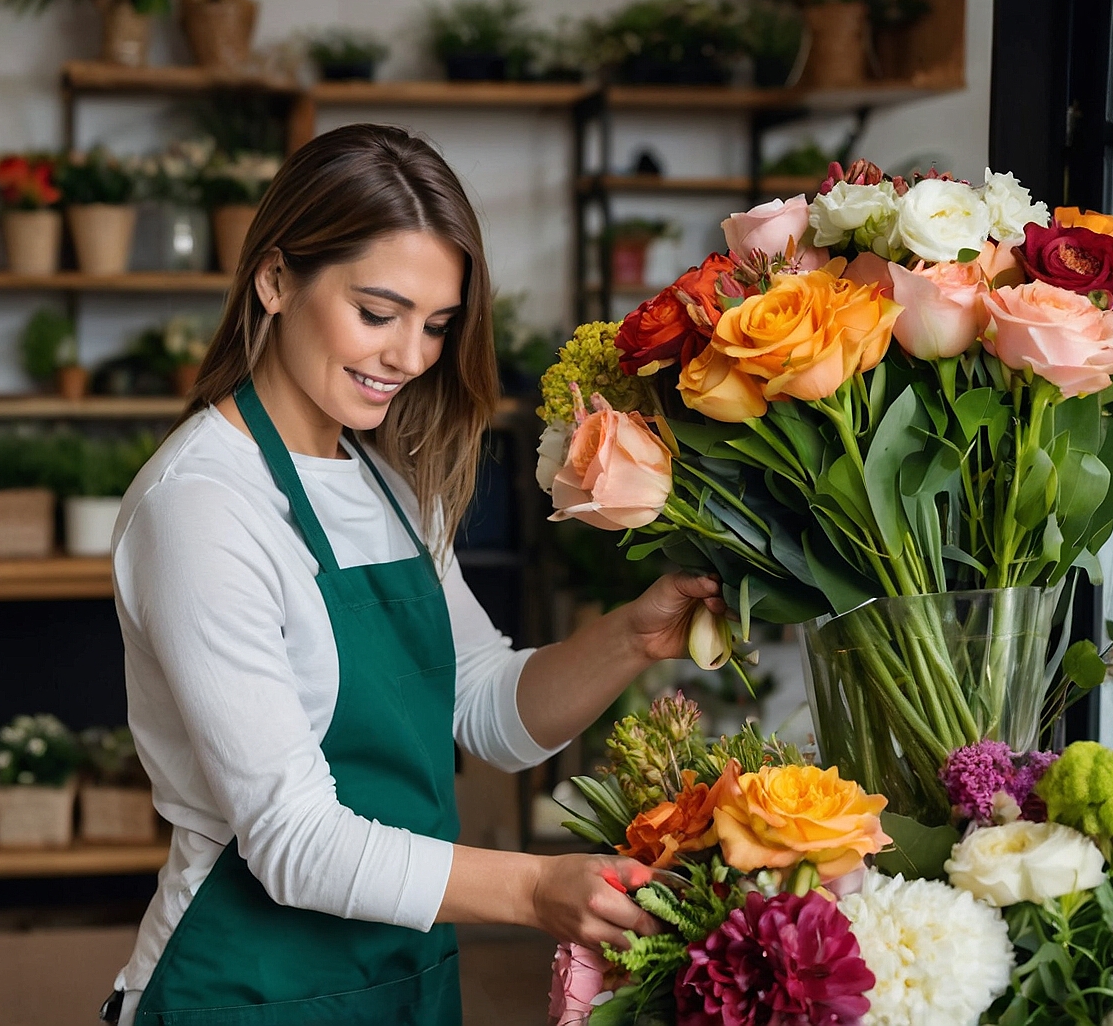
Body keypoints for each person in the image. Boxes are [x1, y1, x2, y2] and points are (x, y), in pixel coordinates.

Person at [103, 123, 725, 1026]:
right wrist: (533, 889)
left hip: (402, 977)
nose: (410, 357)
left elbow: (487, 710)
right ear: (275, 280)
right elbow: (292, 839)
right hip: (247, 991)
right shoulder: (201, 505)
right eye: (377, 312)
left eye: (436, 325)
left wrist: (634, 636)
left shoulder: (385, 484)